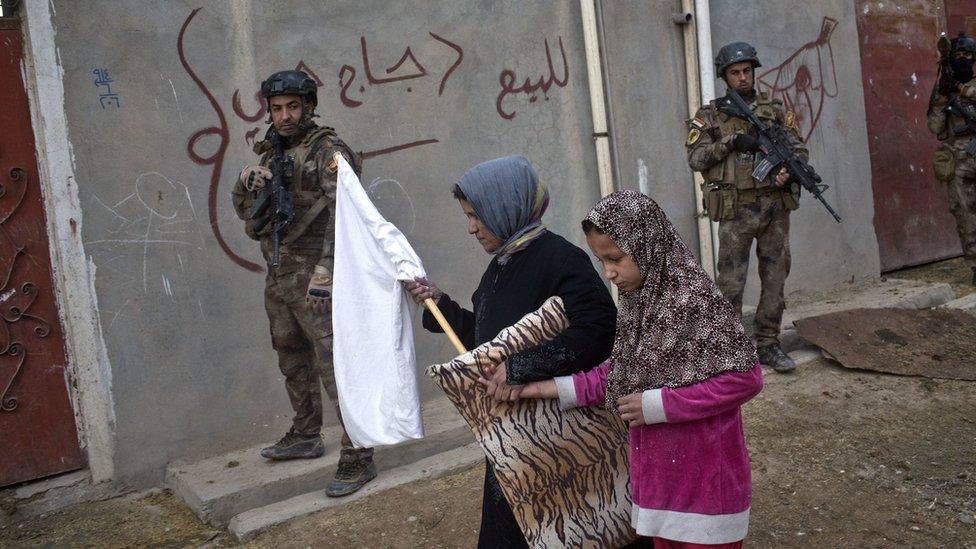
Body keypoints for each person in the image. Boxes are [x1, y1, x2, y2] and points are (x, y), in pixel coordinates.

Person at [506, 190, 763, 548]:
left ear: (647, 244)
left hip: (707, 493)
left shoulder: (696, 302)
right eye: (602, 261)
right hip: (661, 490)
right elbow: (620, 374)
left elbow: (745, 379)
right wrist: (540, 388)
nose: (609, 272)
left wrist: (659, 406)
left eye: (615, 258)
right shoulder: (639, 300)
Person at [405, 155, 617, 548]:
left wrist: (521, 367)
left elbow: (599, 330)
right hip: (515, 442)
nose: (470, 228)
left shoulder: (561, 260)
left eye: (476, 216)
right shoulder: (500, 265)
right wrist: (441, 306)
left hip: (562, 442)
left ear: (504, 207)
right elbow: (491, 344)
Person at [231, 70, 375, 497]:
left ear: (308, 106)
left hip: (318, 275)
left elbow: (348, 217)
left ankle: (359, 452)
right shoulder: (270, 151)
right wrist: (245, 183)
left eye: (293, 107)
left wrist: (326, 272)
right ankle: (306, 432)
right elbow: (248, 215)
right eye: (277, 109)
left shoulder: (327, 152)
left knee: (335, 362)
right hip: (280, 273)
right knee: (290, 352)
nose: (285, 116)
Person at [686, 42, 807, 373]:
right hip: (736, 209)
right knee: (731, 283)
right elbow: (695, 158)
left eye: (747, 71)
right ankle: (729, 350)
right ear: (725, 76)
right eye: (735, 72)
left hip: (774, 207)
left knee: (775, 278)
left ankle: (768, 343)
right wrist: (730, 142)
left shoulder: (776, 110)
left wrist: (788, 170)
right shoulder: (710, 115)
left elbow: (798, 148)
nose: (742, 77)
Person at [928, 32, 976, 286]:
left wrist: (959, 88)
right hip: (959, 160)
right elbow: (935, 128)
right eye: (957, 56)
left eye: (966, 55)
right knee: (965, 216)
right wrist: (943, 97)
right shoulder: (945, 88)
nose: (962, 60)